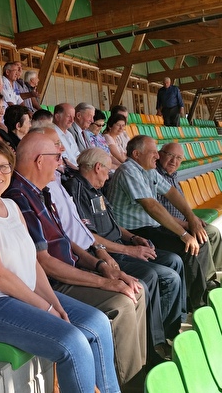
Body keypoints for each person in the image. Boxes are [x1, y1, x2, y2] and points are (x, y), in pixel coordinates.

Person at [0, 139, 120, 393]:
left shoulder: (12, 206)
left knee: (98, 323)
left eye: (5, 167)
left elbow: (33, 262)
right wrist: (46, 307)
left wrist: (56, 304)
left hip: (18, 296)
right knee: (72, 342)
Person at [3, 132, 147, 385]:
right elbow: (45, 263)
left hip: (70, 271)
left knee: (137, 288)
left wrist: (103, 267)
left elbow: (66, 241)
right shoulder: (18, 196)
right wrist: (105, 283)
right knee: (123, 302)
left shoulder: (41, 192)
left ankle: (136, 373)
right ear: (39, 161)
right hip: (53, 283)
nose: (61, 162)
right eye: (57, 157)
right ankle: (129, 383)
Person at [64, 147, 186, 362]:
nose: (109, 174)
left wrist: (131, 238)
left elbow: (113, 225)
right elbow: (89, 236)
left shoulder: (96, 187)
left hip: (121, 244)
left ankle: (168, 332)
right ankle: (152, 347)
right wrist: (128, 249)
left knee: (174, 262)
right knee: (153, 277)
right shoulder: (77, 188)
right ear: (98, 167)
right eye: (107, 170)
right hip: (105, 254)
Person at [108, 135, 212, 310]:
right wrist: (183, 233)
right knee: (187, 248)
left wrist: (192, 218)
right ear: (136, 154)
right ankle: (199, 305)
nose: (157, 156)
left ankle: (197, 293)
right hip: (133, 232)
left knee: (198, 239)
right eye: (153, 153)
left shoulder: (149, 170)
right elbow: (152, 207)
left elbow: (171, 192)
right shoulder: (128, 170)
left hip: (150, 227)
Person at [156, 143, 222, 287]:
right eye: (170, 155)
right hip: (167, 226)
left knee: (214, 233)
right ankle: (205, 285)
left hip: (184, 221)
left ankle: (213, 276)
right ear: (160, 154)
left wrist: (193, 218)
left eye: (179, 158)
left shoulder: (172, 175)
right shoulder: (155, 176)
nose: (174, 161)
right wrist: (187, 224)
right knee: (202, 239)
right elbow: (158, 212)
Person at [53, 103, 80, 168]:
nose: (72, 120)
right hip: (67, 173)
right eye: (68, 116)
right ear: (57, 117)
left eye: (73, 117)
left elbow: (77, 155)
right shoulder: (53, 133)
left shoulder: (69, 134)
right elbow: (63, 161)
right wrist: (78, 171)